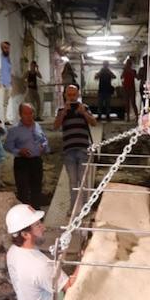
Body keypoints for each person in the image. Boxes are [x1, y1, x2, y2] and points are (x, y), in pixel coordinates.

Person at [54, 83, 97, 212]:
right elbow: (55, 126)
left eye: (74, 94)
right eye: (69, 95)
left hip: (83, 149)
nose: (72, 97)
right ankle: (73, 208)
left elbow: (94, 123)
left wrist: (84, 113)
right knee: (73, 181)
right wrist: (64, 112)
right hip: (69, 151)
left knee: (83, 181)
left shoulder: (84, 108)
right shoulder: (62, 110)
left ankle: (84, 208)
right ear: (65, 95)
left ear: (78, 95)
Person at [3, 103, 49, 209]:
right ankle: (24, 218)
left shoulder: (37, 126)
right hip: (22, 162)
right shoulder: (14, 129)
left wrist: (44, 146)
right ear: (20, 114)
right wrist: (19, 151)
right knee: (23, 190)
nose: (29, 116)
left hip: (36, 161)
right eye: (26, 113)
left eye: (31, 113)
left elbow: (44, 140)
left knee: (36, 189)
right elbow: (7, 146)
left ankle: (37, 215)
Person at [121, 56, 138, 121]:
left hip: (131, 88)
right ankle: (128, 117)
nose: (128, 65)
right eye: (127, 63)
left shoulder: (133, 71)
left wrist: (130, 72)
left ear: (130, 64)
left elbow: (137, 77)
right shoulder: (124, 70)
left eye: (129, 63)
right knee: (127, 103)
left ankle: (136, 116)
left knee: (133, 102)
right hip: (126, 88)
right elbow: (121, 77)